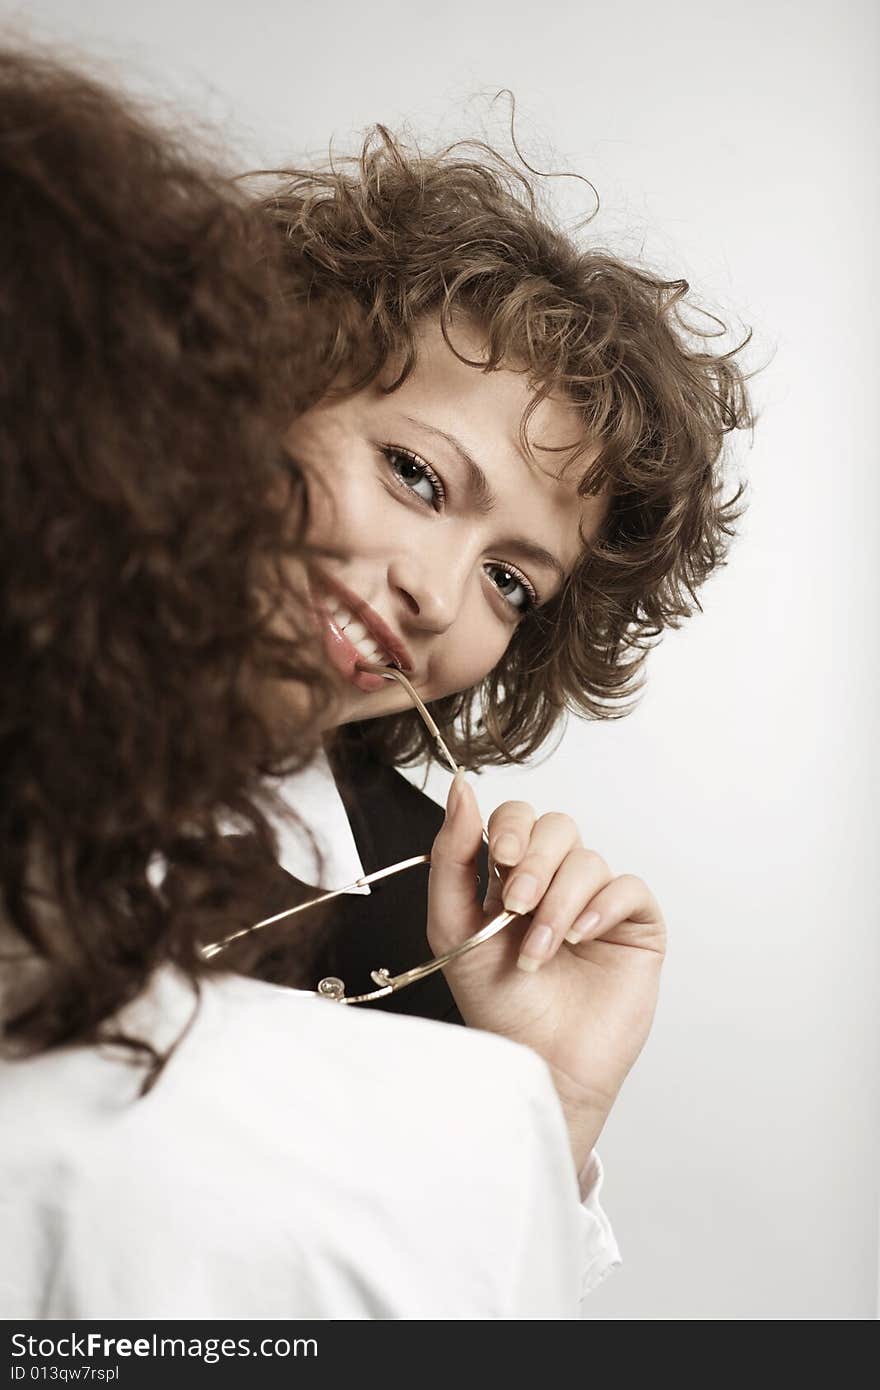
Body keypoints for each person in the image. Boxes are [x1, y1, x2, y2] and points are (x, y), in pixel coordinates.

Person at [0, 48, 663, 1319]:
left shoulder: (432, 928)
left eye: (512, 583)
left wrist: (549, 1108)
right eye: (416, 474)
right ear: (253, 377)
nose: (435, 593)